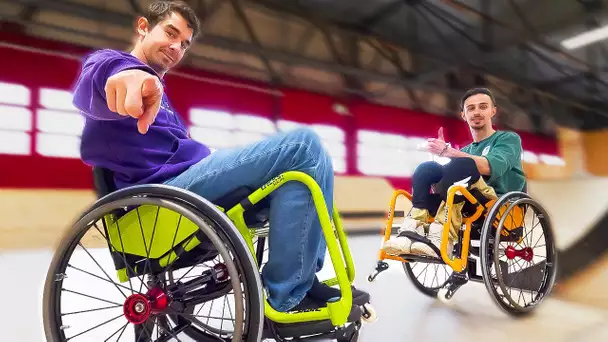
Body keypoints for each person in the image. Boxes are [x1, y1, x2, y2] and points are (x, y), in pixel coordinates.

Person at [71, 0, 369, 314]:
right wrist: (131, 76)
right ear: (144, 27)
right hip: (165, 191)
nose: (176, 47)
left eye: (184, 44)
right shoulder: (113, 63)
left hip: (189, 177)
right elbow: (98, 79)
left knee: (299, 177)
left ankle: (302, 282)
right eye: (170, 33)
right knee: (304, 145)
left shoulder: (162, 96)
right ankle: (286, 297)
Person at [382, 87, 526, 259]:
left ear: (493, 111)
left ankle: (442, 238)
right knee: (426, 169)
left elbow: (490, 167)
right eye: (471, 108)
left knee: (462, 164)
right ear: (463, 115)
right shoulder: (466, 150)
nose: (477, 112)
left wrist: (448, 152)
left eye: (483, 107)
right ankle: (411, 230)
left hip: (497, 204)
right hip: (465, 201)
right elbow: (444, 183)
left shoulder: (507, 139)